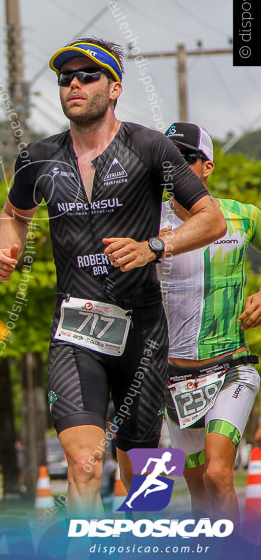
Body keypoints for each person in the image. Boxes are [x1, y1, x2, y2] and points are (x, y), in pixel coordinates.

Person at [0, 38, 227, 516]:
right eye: (64, 78)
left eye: (87, 75)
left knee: (144, 477)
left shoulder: (149, 146)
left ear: (114, 87)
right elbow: (15, 211)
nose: (74, 83)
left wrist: (153, 247)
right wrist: (6, 248)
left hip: (143, 328)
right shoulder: (38, 158)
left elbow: (211, 218)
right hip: (76, 330)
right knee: (82, 463)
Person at [156, 122, 261, 522]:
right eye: (166, 160)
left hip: (230, 370)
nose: (174, 168)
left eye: (184, 158)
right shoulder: (147, 224)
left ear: (207, 167)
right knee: (199, 491)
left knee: (218, 476)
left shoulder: (241, 217)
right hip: (173, 378)